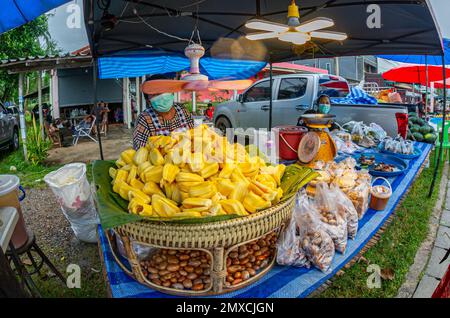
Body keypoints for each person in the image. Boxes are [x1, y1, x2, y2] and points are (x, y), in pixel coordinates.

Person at [133, 75, 195, 150]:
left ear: (172, 93)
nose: (161, 95)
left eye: (164, 91)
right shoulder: (144, 119)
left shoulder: (182, 110)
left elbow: (194, 136)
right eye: (155, 94)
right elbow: (140, 151)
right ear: (148, 101)